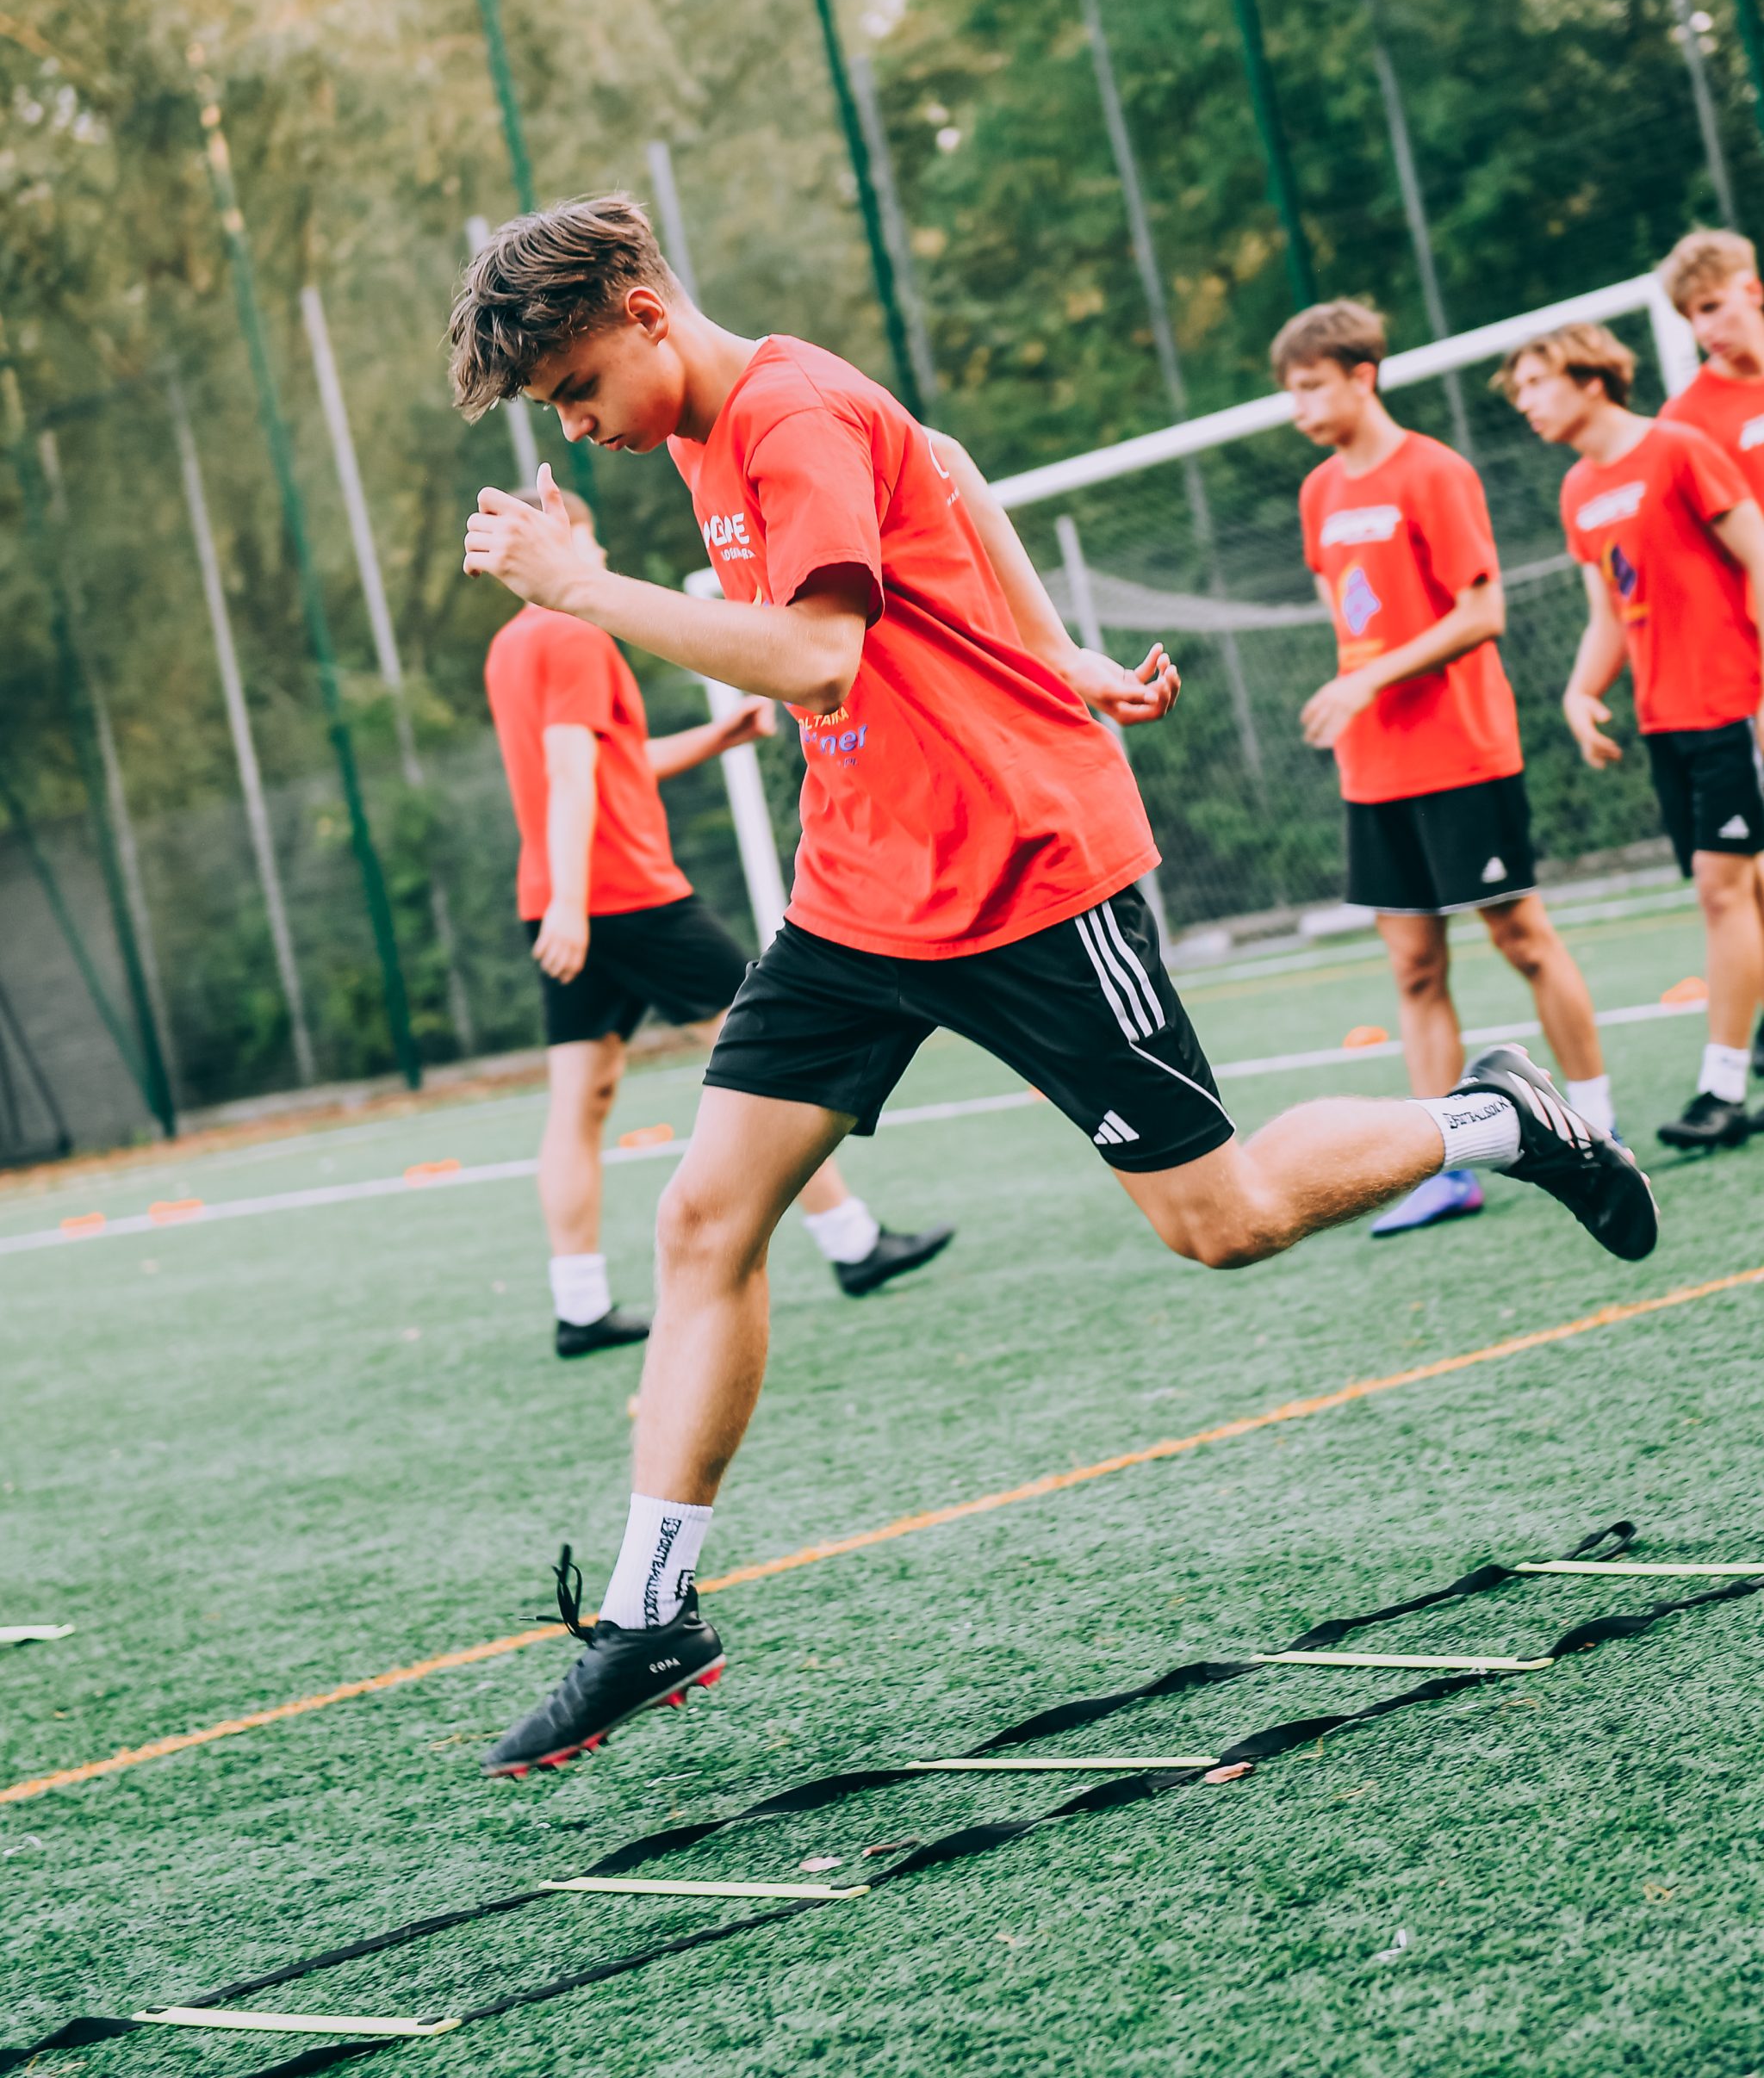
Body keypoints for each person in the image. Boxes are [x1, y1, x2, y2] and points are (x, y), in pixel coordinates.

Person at [450, 195, 1655, 1779]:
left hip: (1021, 872)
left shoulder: (788, 412)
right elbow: (943, 467)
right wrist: (1052, 649)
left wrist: (579, 590)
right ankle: (649, 1610)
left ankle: (1500, 1120)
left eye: (574, 388)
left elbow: (815, 657)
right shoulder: (703, 429)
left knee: (1219, 1220)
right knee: (701, 1220)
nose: (578, 428)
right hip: (859, 891)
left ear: (643, 311)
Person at [485, 482, 955, 1357]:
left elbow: (610, 762)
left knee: (577, 1104)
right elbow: (571, 774)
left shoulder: (512, 646)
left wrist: (713, 740)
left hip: (560, 896)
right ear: (564, 540)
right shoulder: (574, 632)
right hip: (626, 897)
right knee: (769, 1062)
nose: (599, 556)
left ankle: (578, 1304)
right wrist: (575, 903)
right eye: (590, 539)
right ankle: (852, 1242)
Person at [1276, 300, 1614, 1237]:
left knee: (1522, 938)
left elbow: (1480, 613)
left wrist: (1367, 679)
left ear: (1361, 376)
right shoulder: (1317, 493)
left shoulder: (1434, 471)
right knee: (1415, 967)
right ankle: (1445, 1165)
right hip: (1372, 767)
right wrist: (1355, 690)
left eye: (1311, 387)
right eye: (1290, 393)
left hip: (1461, 750)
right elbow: (1349, 618)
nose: (1299, 407)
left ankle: (1595, 1122)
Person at [1500, 319, 1764, 1150]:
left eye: (1537, 382)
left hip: (1733, 703)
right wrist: (1582, 691)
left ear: (1590, 377)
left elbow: (1760, 556)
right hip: (1665, 718)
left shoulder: (1679, 448)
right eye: (1517, 391)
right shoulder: (1578, 488)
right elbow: (1610, 611)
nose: (1525, 402)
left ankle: (1724, 1089)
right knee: (1745, 890)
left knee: (1723, 891)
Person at [1657, 228, 1764, 1091]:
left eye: (1714, 305)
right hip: (1746, 659)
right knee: (1744, 862)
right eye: (1692, 316)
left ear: (1751, 288)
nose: (1706, 328)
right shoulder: (1684, 423)